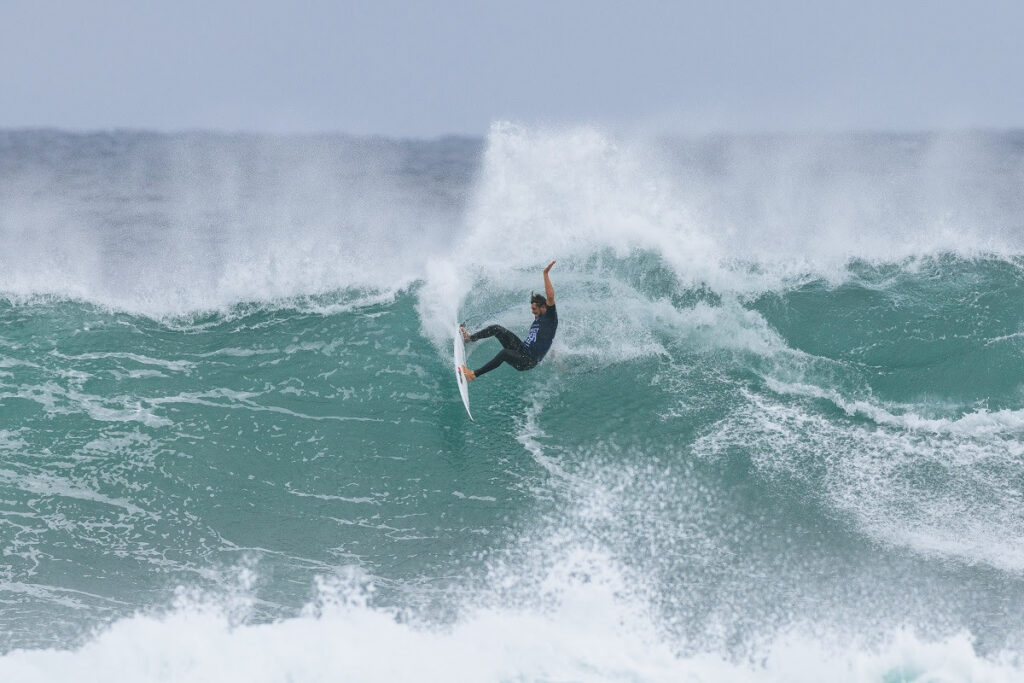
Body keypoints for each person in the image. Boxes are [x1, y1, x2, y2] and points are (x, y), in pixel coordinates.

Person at [460, 261, 558, 382]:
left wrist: (545, 274)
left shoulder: (550, 318)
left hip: (528, 361)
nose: (533, 312)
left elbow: (550, 296)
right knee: (497, 329)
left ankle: (473, 375)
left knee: (505, 353)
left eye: (534, 309)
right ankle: (470, 338)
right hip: (522, 349)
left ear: (544, 307)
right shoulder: (538, 318)